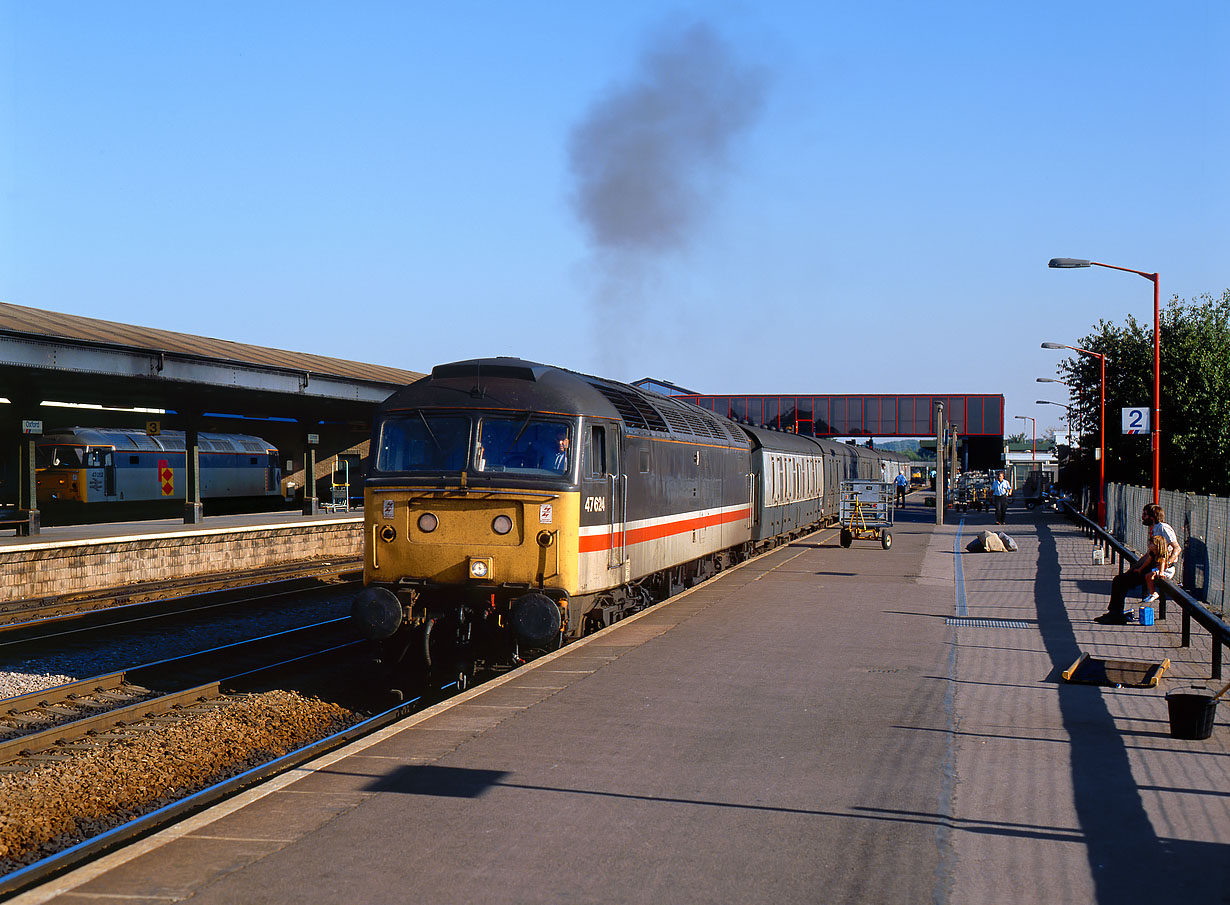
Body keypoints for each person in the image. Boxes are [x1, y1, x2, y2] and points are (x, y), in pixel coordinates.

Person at [1096, 503, 1181, 625]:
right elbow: (1148, 555)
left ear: (1152, 516)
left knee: (1120, 581)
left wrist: (1166, 563)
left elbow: (1177, 548)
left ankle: (1116, 614)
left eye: (1144, 514)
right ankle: (1114, 612)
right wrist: (1136, 568)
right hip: (1151, 565)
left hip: (1160, 567)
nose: (1142, 517)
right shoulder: (1154, 529)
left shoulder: (1163, 528)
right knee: (1120, 580)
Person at [1140, 534, 1169, 604]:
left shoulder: (1162, 554)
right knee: (1147, 576)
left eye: (1151, 543)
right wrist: (1140, 569)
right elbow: (1148, 561)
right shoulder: (1152, 553)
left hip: (1166, 570)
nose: (1148, 545)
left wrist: (1161, 572)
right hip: (1158, 568)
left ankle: (1154, 593)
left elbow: (1163, 563)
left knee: (1149, 576)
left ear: (1157, 545)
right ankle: (1151, 593)